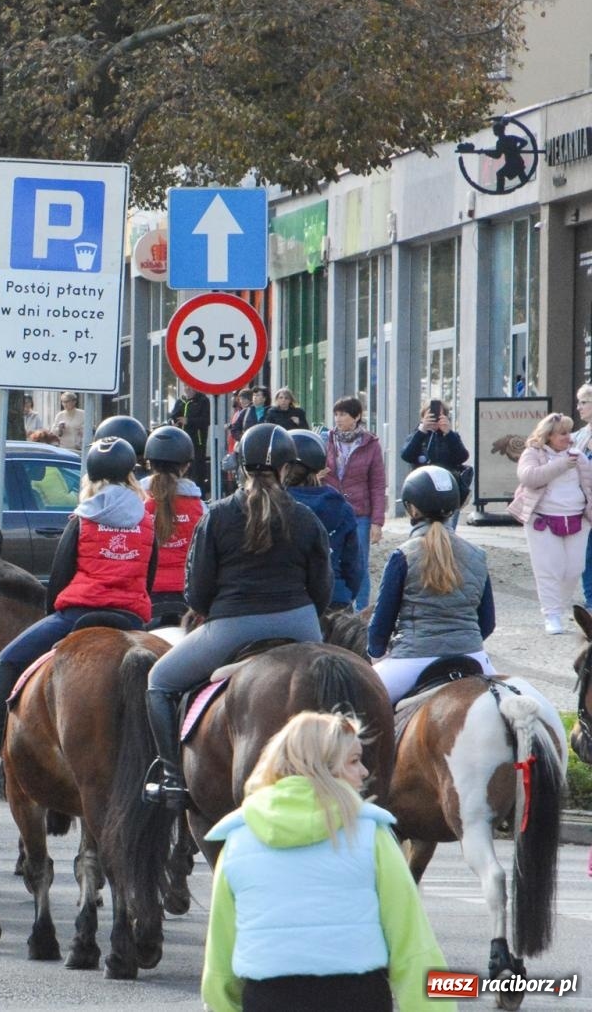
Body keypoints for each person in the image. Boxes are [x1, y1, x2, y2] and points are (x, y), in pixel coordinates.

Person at [202, 712, 451, 1012]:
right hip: (356, 996)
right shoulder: (370, 832)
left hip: (267, 998)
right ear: (322, 767)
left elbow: (220, 956)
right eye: (353, 760)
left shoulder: (238, 838)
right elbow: (412, 944)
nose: (364, 772)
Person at [145, 424, 333, 809]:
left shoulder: (217, 516)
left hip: (232, 626)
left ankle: (172, 778)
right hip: (300, 625)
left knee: (159, 682)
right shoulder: (307, 519)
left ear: (239, 469)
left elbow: (196, 594)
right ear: (287, 468)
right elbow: (323, 591)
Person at [0, 436, 157, 775]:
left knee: (7, 660)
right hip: (131, 617)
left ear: (92, 478)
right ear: (130, 477)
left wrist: (52, 615)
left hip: (78, 613)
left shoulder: (82, 519)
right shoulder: (147, 521)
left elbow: (60, 578)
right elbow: (148, 578)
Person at [368, 467, 497, 702]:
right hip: (475, 658)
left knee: (356, 708)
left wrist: (376, 653)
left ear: (412, 508)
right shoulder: (478, 555)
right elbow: (487, 622)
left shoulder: (403, 555)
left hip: (413, 660)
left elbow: (381, 623)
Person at [509, 412, 592, 635]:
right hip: (542, 519)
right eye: (562, 433)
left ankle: (560, 607)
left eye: (569, 433)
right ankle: (552, 614)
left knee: (574, 568)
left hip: (577, 518)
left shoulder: (579, 456)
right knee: (549, 568)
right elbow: (528, 477)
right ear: (549, 436)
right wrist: (561, 465)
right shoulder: (532, 453)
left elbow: (589, 484)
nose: (568, 438)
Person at [284, 431, 363, 609]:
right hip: (335, 597)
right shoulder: (341, 507)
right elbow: (354, 565)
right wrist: (346, 594)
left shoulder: (274, 505)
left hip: (292, 600)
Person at [323, 396, 386, 610]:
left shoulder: (370, 444)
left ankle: (360, 612)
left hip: (360, 513)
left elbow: (377, 484)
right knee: (331, 560)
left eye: (343, 414)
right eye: (337, 414)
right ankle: (337, 607)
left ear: (357, 416)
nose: (338, 419)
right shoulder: (327, 440)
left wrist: (377, 522)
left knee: (359, 564)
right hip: (332, 510)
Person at [141, 425, 204, 623]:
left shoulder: (134, 504)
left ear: (149, 464)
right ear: (186, 466)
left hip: (145, 596)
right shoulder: (202, 508)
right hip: (188, 600)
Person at [400, 399, 469, 531]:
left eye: (439, 416)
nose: (435, 419)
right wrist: (422, 431)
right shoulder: (417, 435)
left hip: (447, 491)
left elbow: (462, 456)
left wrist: (448, 434)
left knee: (447, 531)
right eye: (430, 416)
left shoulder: (451, 437)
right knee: (422, 531)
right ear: (423, 417)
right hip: (421, 491)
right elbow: (406, 455)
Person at [170, 383, 211, 492]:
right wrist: (173, 423)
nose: (188, 389)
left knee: (197, 471)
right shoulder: (180, 401)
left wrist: (188, 421)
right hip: (181, 443)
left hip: (197, 442)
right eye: (185, 386)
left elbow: (206, 420)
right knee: (182, 471)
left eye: (190, 386)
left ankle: (199, 495)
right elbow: (172, 417)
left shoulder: (203, 401)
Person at [573, 385, 592, 604]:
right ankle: (590, 603)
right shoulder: (578, 436)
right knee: (586, 555)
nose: (578, 407)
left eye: (583, 402)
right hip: (584, 505)